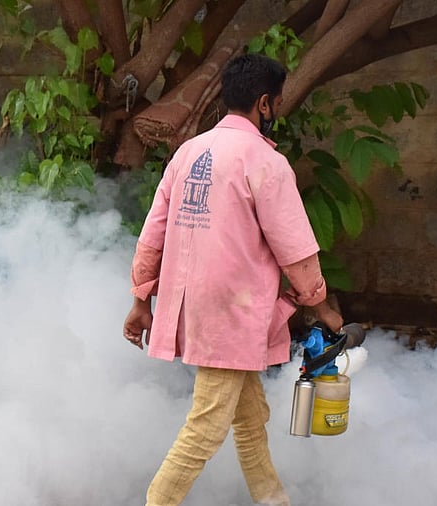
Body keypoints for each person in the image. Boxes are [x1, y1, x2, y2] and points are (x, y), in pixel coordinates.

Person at [122, 53, 344, 506]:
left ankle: (272, 499)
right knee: (204, 428)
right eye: (277, 105)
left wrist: (142, 300)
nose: (276, 113)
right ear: (264, 104)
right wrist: (322, 308)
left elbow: (152, 237)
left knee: (250, 416)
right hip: (232, 310)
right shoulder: (264, 162)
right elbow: (296, 250)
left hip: (193, 304)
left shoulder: (188, 152)